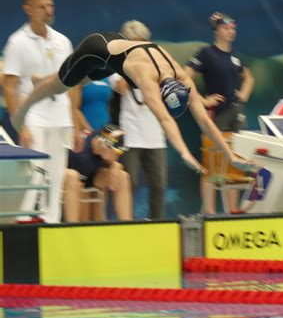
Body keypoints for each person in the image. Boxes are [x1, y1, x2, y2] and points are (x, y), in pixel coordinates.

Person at [11, 30, 256, 180]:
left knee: (81, 79)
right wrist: (184, 152)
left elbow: (203, 119)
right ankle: (24, 107)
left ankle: (44, 78)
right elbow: (165, 120)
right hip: (97, 49)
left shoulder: (182, 78)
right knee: (62, 87)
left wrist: (229, 154)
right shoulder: (146, 79)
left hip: (118, 56)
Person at [3, 0, 77, 223]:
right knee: (33, 177)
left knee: (56, 180)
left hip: (60, 118)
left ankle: (51, 226)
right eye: (42, 6)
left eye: (51, 5)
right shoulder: (17, 42)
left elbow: (72, 84)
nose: (48, 10)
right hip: (33, 117)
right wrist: (21, 125)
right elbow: (10, 87)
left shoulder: (62, 41)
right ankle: (22, 225)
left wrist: (74, 121)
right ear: (28, 9)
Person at [184, 12, 255, 214]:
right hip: (217, 113)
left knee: (235, 158)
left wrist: (243, 95)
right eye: (226, 28)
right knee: (211, 160)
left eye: (233, 29)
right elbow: (185, 76)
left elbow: (249, 78)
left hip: (236, 112)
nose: (231, 32)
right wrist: (202, 100)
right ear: (216, 31)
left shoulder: (235, 56)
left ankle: (232, 208)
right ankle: (209, 211)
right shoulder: (206, 53)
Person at [110, 20, 168, 219]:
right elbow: (119, 86)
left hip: (154, 134)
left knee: (159, 184)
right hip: (131, 133)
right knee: (130, 182)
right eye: (135, 43)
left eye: (143, 43)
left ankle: (157, 223)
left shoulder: (158, 62)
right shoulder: (117, 64)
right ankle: (127, 224)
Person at [63, 124, 132, 222]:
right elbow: (83, 191)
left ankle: (127, 225)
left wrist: (115, 166)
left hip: (90, 175)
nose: (116, 155)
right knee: (74, 178)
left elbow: (116, 163)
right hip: (69, 175)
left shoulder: (98, 137)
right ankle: (72, 227)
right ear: (102, 142)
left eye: (119, 152)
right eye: (113, 151)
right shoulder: (82, 153)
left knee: (123, 176)